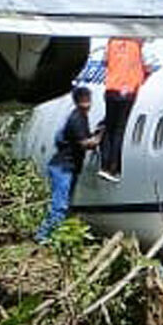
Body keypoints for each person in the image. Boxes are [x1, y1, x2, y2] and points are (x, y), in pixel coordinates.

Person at [36, 86, 102, 243]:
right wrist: (99, 138)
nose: (89, 102)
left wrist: (96, 133)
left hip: (67, 167)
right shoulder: (77, 119)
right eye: (87, 98)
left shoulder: (81, 117)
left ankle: (54, 235)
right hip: (63, 167)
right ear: (83, 101)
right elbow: (85, 143)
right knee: (60, 205)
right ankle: (43, 237)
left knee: (64, 203)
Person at [99, 37, 150, 182]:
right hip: (127, 91)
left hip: (111, 89)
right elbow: (150, 64)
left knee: (109, 128)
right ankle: (114, 169)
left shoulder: (112, 42)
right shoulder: (137, 44)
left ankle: (104, 166)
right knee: (119, 131)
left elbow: (104, 61)